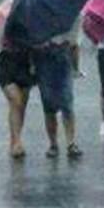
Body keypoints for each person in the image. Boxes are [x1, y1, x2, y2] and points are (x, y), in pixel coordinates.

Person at [30, 26, 84, 159]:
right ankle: (55, 144)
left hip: (60, 55)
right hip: (44, 56)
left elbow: (74, 45)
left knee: (65, 103)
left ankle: (69, 143)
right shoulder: (39, 13)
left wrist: (75, 67)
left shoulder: (72, 14)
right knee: (50, 105)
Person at [0, 32, 36, 159]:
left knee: (21, 104)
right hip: (6, 61)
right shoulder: (1, 16)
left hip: (26, 60)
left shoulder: (31, 18)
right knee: (15, 101)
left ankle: (15, 140)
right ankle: (17, 141)